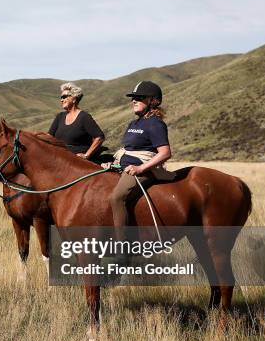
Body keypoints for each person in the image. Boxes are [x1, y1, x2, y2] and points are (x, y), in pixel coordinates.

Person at [108, 80, 173, 231]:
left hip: (142, 171)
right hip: (124, 167)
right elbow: (129, 150)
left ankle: (122, 249)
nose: (134, 101)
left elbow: (165, 153)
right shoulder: (133, 124)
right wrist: (113, 163)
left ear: (152, 100)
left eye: (139, 97)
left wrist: (140, 168)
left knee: (116, 198)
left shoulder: (155, 123)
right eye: (133, 98)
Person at [48, 82, 105, 161]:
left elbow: (99, 137)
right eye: (61, 97)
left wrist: (86, 155)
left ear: (74, 99)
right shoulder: (59, 117)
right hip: (59, 159)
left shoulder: (84, 117)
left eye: (64, 97)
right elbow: (49, 137)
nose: (61, 100)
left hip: (76, 163)